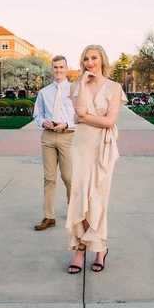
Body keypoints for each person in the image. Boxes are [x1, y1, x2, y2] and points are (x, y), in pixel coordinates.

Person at [66, 44, 127, 274]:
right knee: (80, 196)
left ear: (102, 60)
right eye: (85, 59)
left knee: (98, 198)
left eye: (93, 58)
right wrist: (82, 84)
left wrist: (85, 118)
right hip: (81, 146)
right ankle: (80, 249)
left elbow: (109, 121)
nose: (89, 62)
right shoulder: (77, 86)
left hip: (103, 147)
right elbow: (79, 112)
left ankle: (100, 248)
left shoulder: (114, 87)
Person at [31, 55, 76, 231]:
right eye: (55, 67)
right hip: (48, 137)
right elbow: (37, 114)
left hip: (68, 136)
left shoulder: (74, 90)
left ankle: (74, 214)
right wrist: (44, 122)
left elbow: (80, 116)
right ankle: (49, 217)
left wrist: (67, 124)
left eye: (61, 67)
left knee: (69, 178)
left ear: (66, 68)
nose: (58, 70)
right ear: (52, 69)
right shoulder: (44, 92)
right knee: (49, 178)